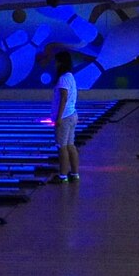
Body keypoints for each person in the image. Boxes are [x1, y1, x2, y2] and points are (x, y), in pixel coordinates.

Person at [47, 51, 79, 184]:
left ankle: (62, 176)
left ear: (61, 62)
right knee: (70, 145)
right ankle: (75, 174)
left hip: (65, 117)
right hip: (72, 114)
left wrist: (58, 118)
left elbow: (64, 98)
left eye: (56, 61)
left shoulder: (63, 78)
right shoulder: (70, 76)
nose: (55, 64)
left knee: (62, 147)